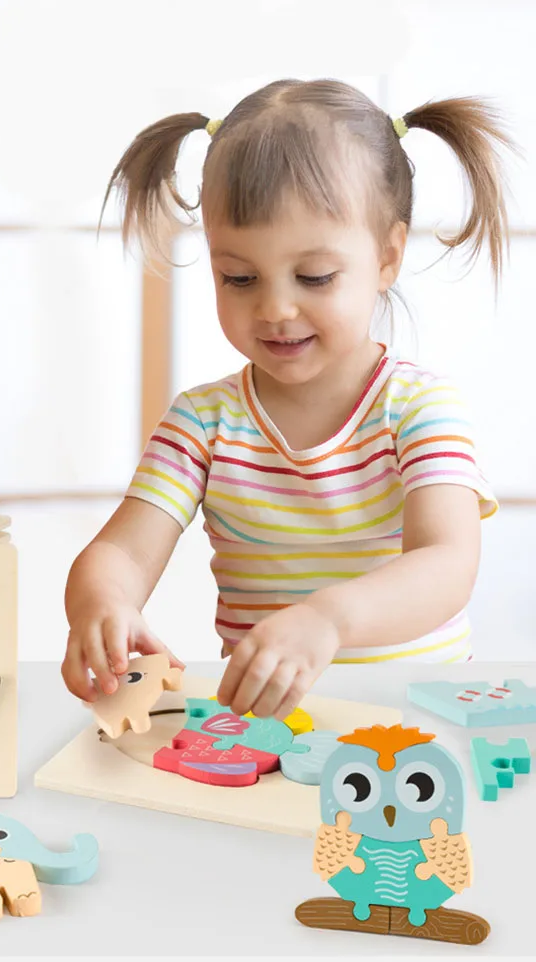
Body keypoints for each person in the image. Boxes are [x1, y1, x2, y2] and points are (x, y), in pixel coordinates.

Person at [62, 78, 516, 721]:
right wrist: (103, 602)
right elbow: (124, 552)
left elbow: (446, 563)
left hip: (419, 719)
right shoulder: (204, 424)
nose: (275, 308)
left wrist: (329, 618)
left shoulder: (418, 408)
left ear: (387, 257)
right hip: (269, 729)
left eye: (314, 277)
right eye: (238, 277)